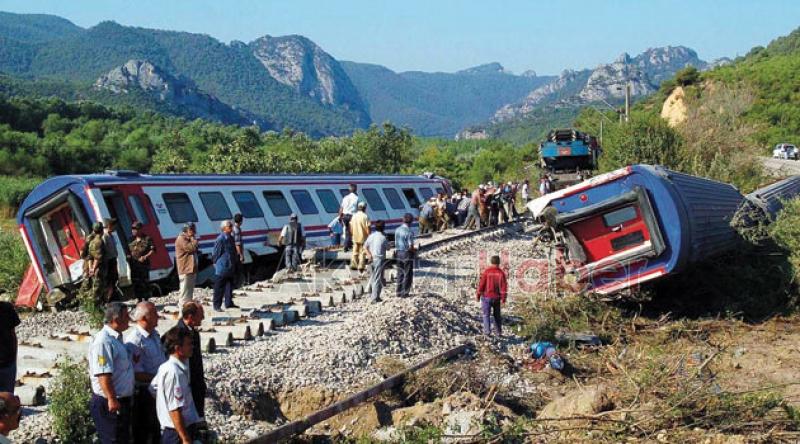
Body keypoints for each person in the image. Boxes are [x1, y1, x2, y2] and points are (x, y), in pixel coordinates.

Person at [88, 302, 135, 444]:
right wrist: (111, 398)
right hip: (109, 402)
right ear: (116, 319)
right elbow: (103, 373)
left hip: (121, 400)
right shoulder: (103, 341)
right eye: (126, 316)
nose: (130, 319)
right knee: (112, 439)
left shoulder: (117, 339)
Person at [125, 301, 166, 444]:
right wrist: (161, 378)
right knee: (145, 431)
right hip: (145, 392)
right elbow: (136, 373)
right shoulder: (135, 341)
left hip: (159, 388)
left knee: (158, 429)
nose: (158, 316)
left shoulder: (154, 334)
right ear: (143, 319)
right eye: (154, 314)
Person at [152, 326, 202, 444]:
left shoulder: (168, 367)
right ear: (178, 349)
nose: (192, 347)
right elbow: (174, 409)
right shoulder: (173, 372)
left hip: (178, 429)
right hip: (176, 432)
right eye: (189, 344)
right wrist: (184, 438)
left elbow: (154, 388)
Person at [176, 302, 206, 419]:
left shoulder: (193, 332)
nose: (203, 318)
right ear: (190, 316)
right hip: (186, 384)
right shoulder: (178, 334)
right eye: (200, 315)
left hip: (196, 383)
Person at [476, 255, 508, 336]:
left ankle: (487, 332)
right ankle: (498, 332)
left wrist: (478, 295)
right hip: (497, 298)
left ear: (491, 262)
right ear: (499, 262)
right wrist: (504, 299)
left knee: (486, 315)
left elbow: (481, 284)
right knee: (497, 315)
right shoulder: (501, 273)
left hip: (486, 297)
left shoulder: (487, 272)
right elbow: (504, 287)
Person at [212, 220, 237, 311]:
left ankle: (228, 302)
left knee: (229, 285)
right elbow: (216, 252)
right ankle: (217, 305)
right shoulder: (221, 239)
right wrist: (215, 263)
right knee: (219, 287)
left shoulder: (231, 238)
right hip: (222, 266)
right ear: (224, 228)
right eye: (229, 226)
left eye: (231, 226)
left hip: (230, 265)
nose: (231, 227)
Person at [128, 221, 155, 302]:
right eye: (132, 229)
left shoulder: (147, 239)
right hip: (134, 265)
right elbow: (128, 251)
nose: (133, 231)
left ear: (140, 229)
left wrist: (145, 256)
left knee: (145, 282)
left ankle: (146, 299)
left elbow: (153, 250)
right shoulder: (130, 239)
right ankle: (139, 299)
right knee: (136, 283)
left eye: (135, 229)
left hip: (143, 265)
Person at [80, 222, 106, 304]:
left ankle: (88, 303)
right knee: (90, 284)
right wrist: (91, 266)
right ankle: (89, 303)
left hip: (90, 262)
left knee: (91, 284)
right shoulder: (93, 239)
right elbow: (84, 253)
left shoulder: (91, 238)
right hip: (90, 264)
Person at [364, 220, 388, 303]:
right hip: (379, 259)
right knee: (377, 278)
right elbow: (387, 247)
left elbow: (365, 247)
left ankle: (377, 296)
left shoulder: (371, 236)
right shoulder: (383, 237)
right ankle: (374, 298)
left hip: (371, 259)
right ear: (383, 228)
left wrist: (368, 255)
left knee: (376, 277)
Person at [175, 223, 199, 304]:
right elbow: (191, 248)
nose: (194, 232)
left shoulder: (188, 239)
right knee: (184, 293)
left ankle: (187, 310)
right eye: (192, 230)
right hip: (185, 269)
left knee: (189, 293)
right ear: (186, 230)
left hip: (191, 269)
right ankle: (182, 311)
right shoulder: (181, 239)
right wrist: (194, 239)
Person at [393, 213, 416, 298]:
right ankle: (405, 292)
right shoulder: (409, 232)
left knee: (400, 272)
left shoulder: (397, 230)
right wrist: (415, 250)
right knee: (407, 273)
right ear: (411, 221)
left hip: (398, 252)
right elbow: (410, 246)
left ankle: (398, 292)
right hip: (406, 253)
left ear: (403, 220)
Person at [0, 302, 19, 394]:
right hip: (8, 362)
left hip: (8, 362)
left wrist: (14, 358)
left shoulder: (7, 309)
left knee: (7, 401)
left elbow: (13, 335)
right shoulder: (7, 308)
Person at [101, 218, 120, 302]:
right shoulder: (105, 236)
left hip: (113, 259)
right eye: (113, 225)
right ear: (109, 226)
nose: (115, 227)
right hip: (109, 261)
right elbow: (104, 250)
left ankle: (114, 297)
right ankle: (109, 299)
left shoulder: (111, 235)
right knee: (109, 280)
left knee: (114, 279)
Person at [349, 202, 370, 272]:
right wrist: (369, 235)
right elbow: (368, 227)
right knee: (362, 252)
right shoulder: (365, 216)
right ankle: (361, 265)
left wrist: (352, 233)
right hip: (363, 237)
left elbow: (350, 226)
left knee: (355, 251)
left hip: (355, 236)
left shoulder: (354, 216)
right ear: (364, 208)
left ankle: (353, 264)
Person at [339, 184, 359, 251]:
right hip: (352, 216)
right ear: (355, 189)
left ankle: (347, 245)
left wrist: (339, 217)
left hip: (345, 216)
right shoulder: (357, 198)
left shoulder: (345, 197)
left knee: (347, 231)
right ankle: (351, 245)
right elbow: (358, 209)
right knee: (353, 232)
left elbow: (341, 208)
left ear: (349, 190)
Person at [232, 213, 245, 288]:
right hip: (236, 254)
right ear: (241, 221)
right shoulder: (236, 230)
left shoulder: (234, 228)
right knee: (238, 270)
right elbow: (237, 244)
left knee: (235, 270)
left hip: (233, 253)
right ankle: (236, 286)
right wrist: (240, 255)